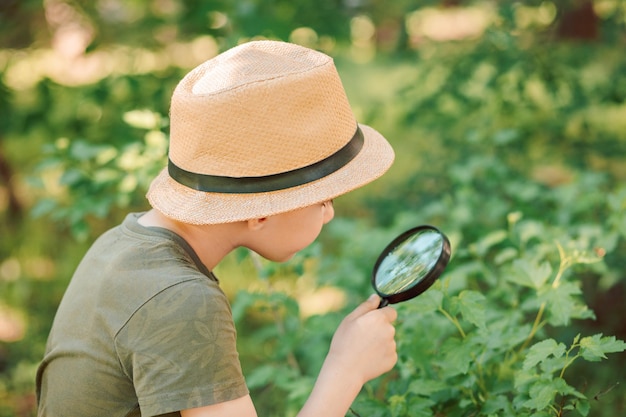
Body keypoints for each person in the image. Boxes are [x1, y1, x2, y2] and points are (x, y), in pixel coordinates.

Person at [36, 40, 397, 417]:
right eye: (325, 199)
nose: (330, 215)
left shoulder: (119, 246)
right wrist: (346, 370)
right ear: (260, 212)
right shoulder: (181, 300)